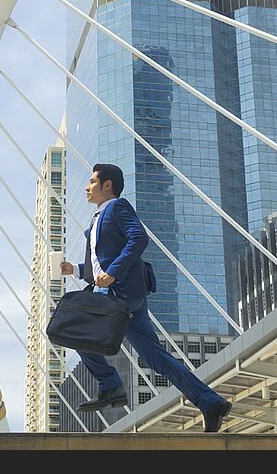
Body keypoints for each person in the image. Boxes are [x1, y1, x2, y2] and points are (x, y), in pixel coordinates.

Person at [61, 164, 232, 433]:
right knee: (154, 357)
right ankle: (210, 403)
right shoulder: (95, 220)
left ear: (108, 185)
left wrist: (114, 273)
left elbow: (138, 238)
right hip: (126, 296)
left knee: (73, 331)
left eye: (92, 181)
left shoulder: (118, 207)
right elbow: (97, 267)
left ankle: (110, 386)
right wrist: (75, 270)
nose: (87, 187)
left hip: (121, 293)